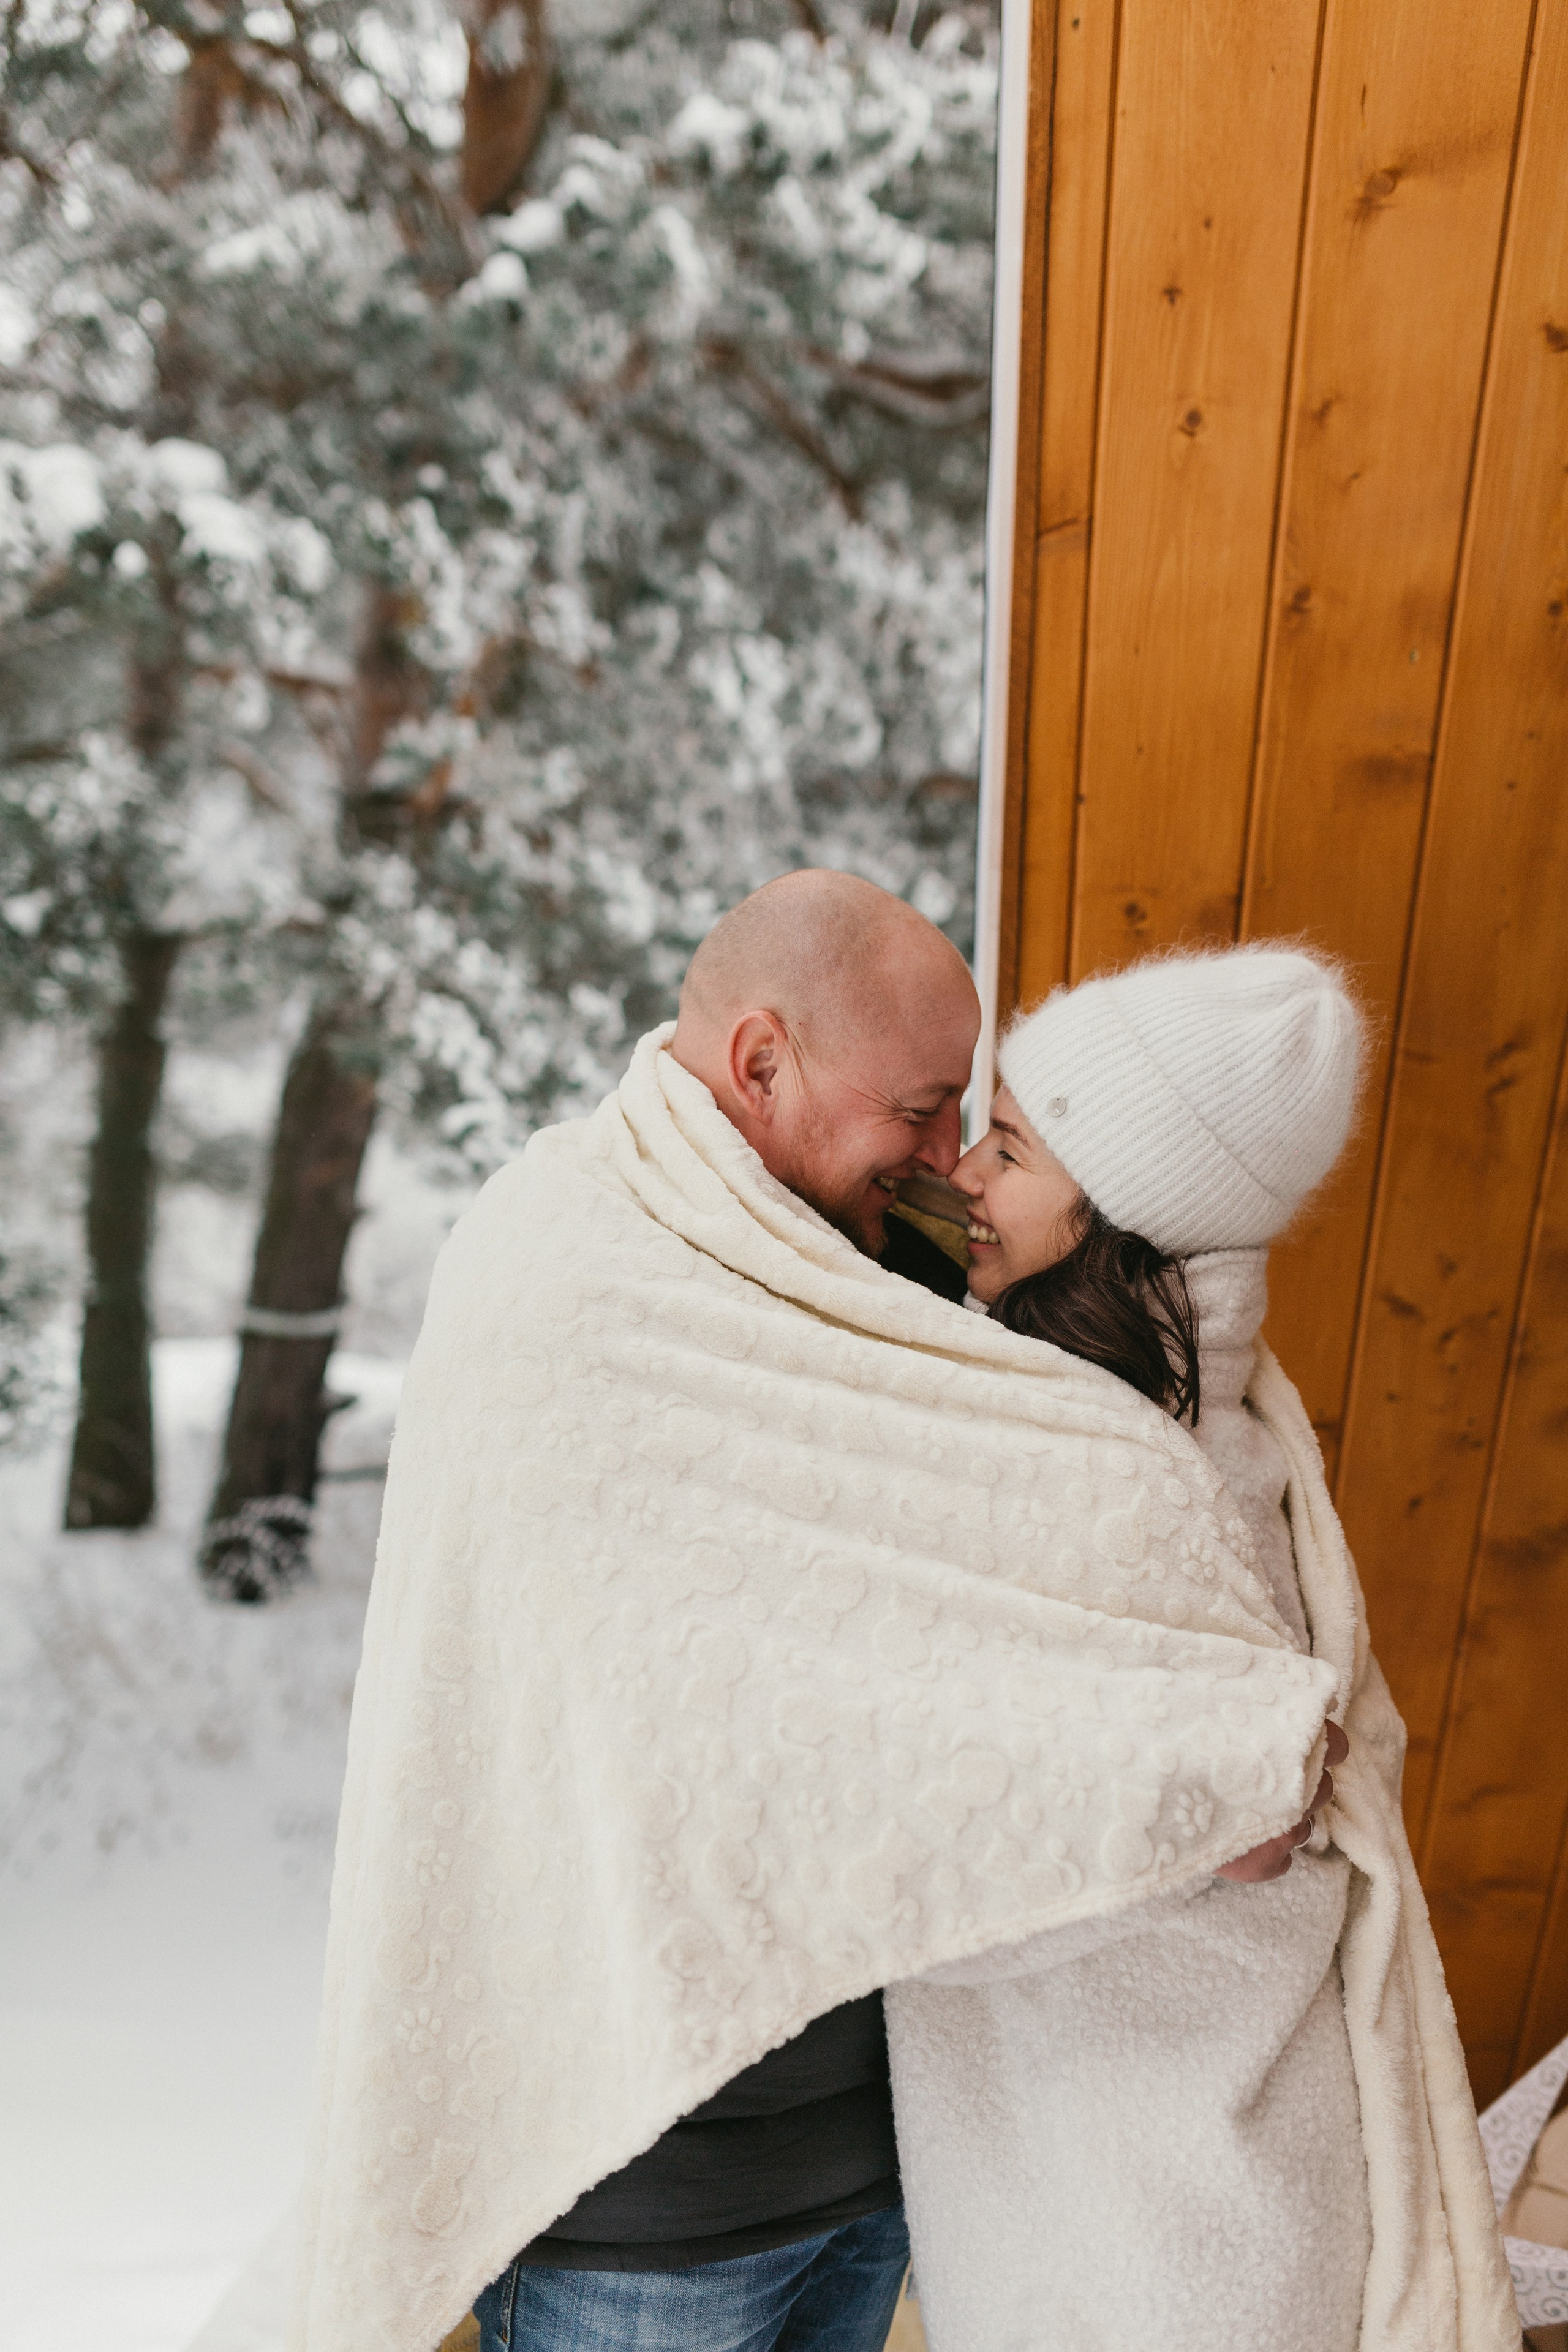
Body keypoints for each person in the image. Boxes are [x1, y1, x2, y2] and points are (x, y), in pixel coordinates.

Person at [290, 877, 1349, 2352]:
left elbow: (975, 1621)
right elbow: (737, 1699)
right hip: (648, 2193)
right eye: (920, 1111)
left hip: (880, 2161)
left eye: (973, 1118)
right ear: (760, 1062)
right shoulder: (567, 1278)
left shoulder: (874, 1264)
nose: (943, 1160)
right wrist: (1193, 1768)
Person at [884, 945, 1513, 2352]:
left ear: (1128, 1214)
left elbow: (972, 1850)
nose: (964, 1175)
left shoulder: (1115, 1477)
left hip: (1157, 2221)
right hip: (1172, 2171)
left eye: (1009, 1148)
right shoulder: (1205, 1425)